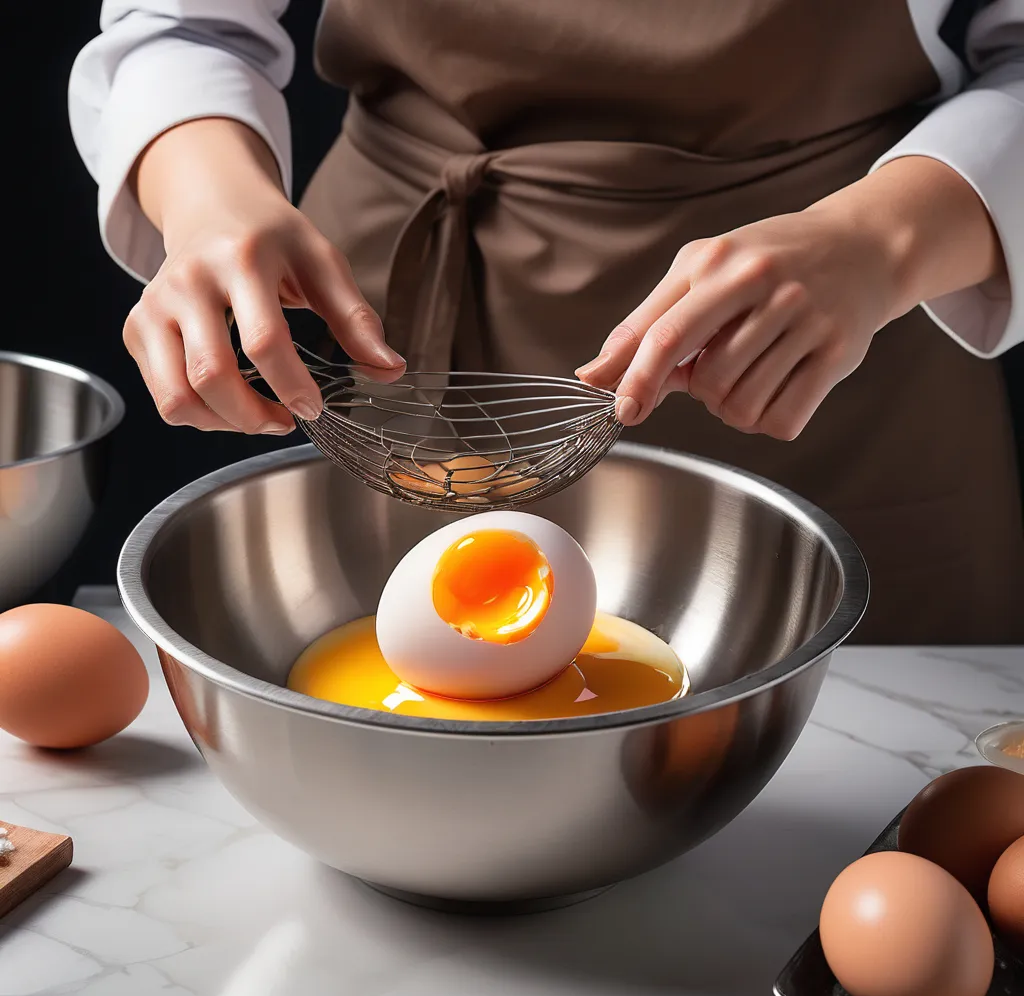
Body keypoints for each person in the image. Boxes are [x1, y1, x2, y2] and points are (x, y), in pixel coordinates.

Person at [69, 1, 1024, 643]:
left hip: (829, 346)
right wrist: (208, 200)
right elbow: (184, 23)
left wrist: (879, 242)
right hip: (392, 322)